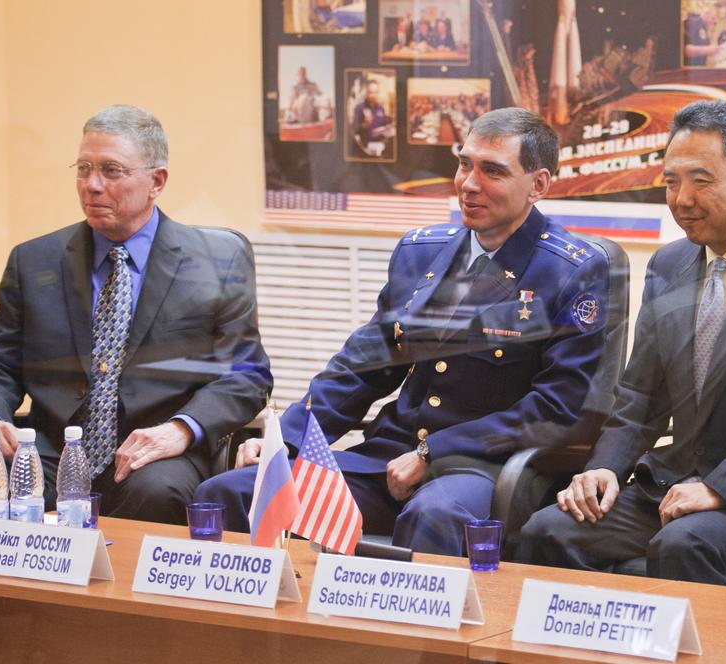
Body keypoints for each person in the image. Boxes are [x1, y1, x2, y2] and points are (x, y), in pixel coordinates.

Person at [195, 108, 610, 555]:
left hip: (480, 466)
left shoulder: (569, 271)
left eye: (492, 171)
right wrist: (287, 439)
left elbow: (556, 407)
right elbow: (363, 367)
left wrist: (434, 453)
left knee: (432, 516)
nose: (469, 184)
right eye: (464, 164)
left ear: (538, 185)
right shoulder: (420, 252)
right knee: (232, 491)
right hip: (389, 456)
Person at [514, 101, 726, 584]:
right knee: (546, 531)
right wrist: (607, 468)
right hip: (669, 483)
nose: (681, 199)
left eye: (700, 181)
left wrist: (720, 487)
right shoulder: (668, 265)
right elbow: (640, 395)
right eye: (671, 182)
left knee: (682, 544)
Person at [0, 104, 273, 531]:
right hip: (55, 447)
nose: (92, 185)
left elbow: (247, 376)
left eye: (111, 171)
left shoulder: (213, 263)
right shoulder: (35, 260)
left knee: (157, 493)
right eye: (84, 169)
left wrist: (181, 430)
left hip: (159, 449)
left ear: (157, 181)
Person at [351, 79, 395, 158]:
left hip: (383, 140)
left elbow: (384, 121)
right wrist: (365, 124)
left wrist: (390, 123)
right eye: (371, 92)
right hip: (368, 144)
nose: (374, 95)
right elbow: (354, 130)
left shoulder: (380, 107)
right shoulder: (359, 108)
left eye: (376, 92)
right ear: (366, 93)